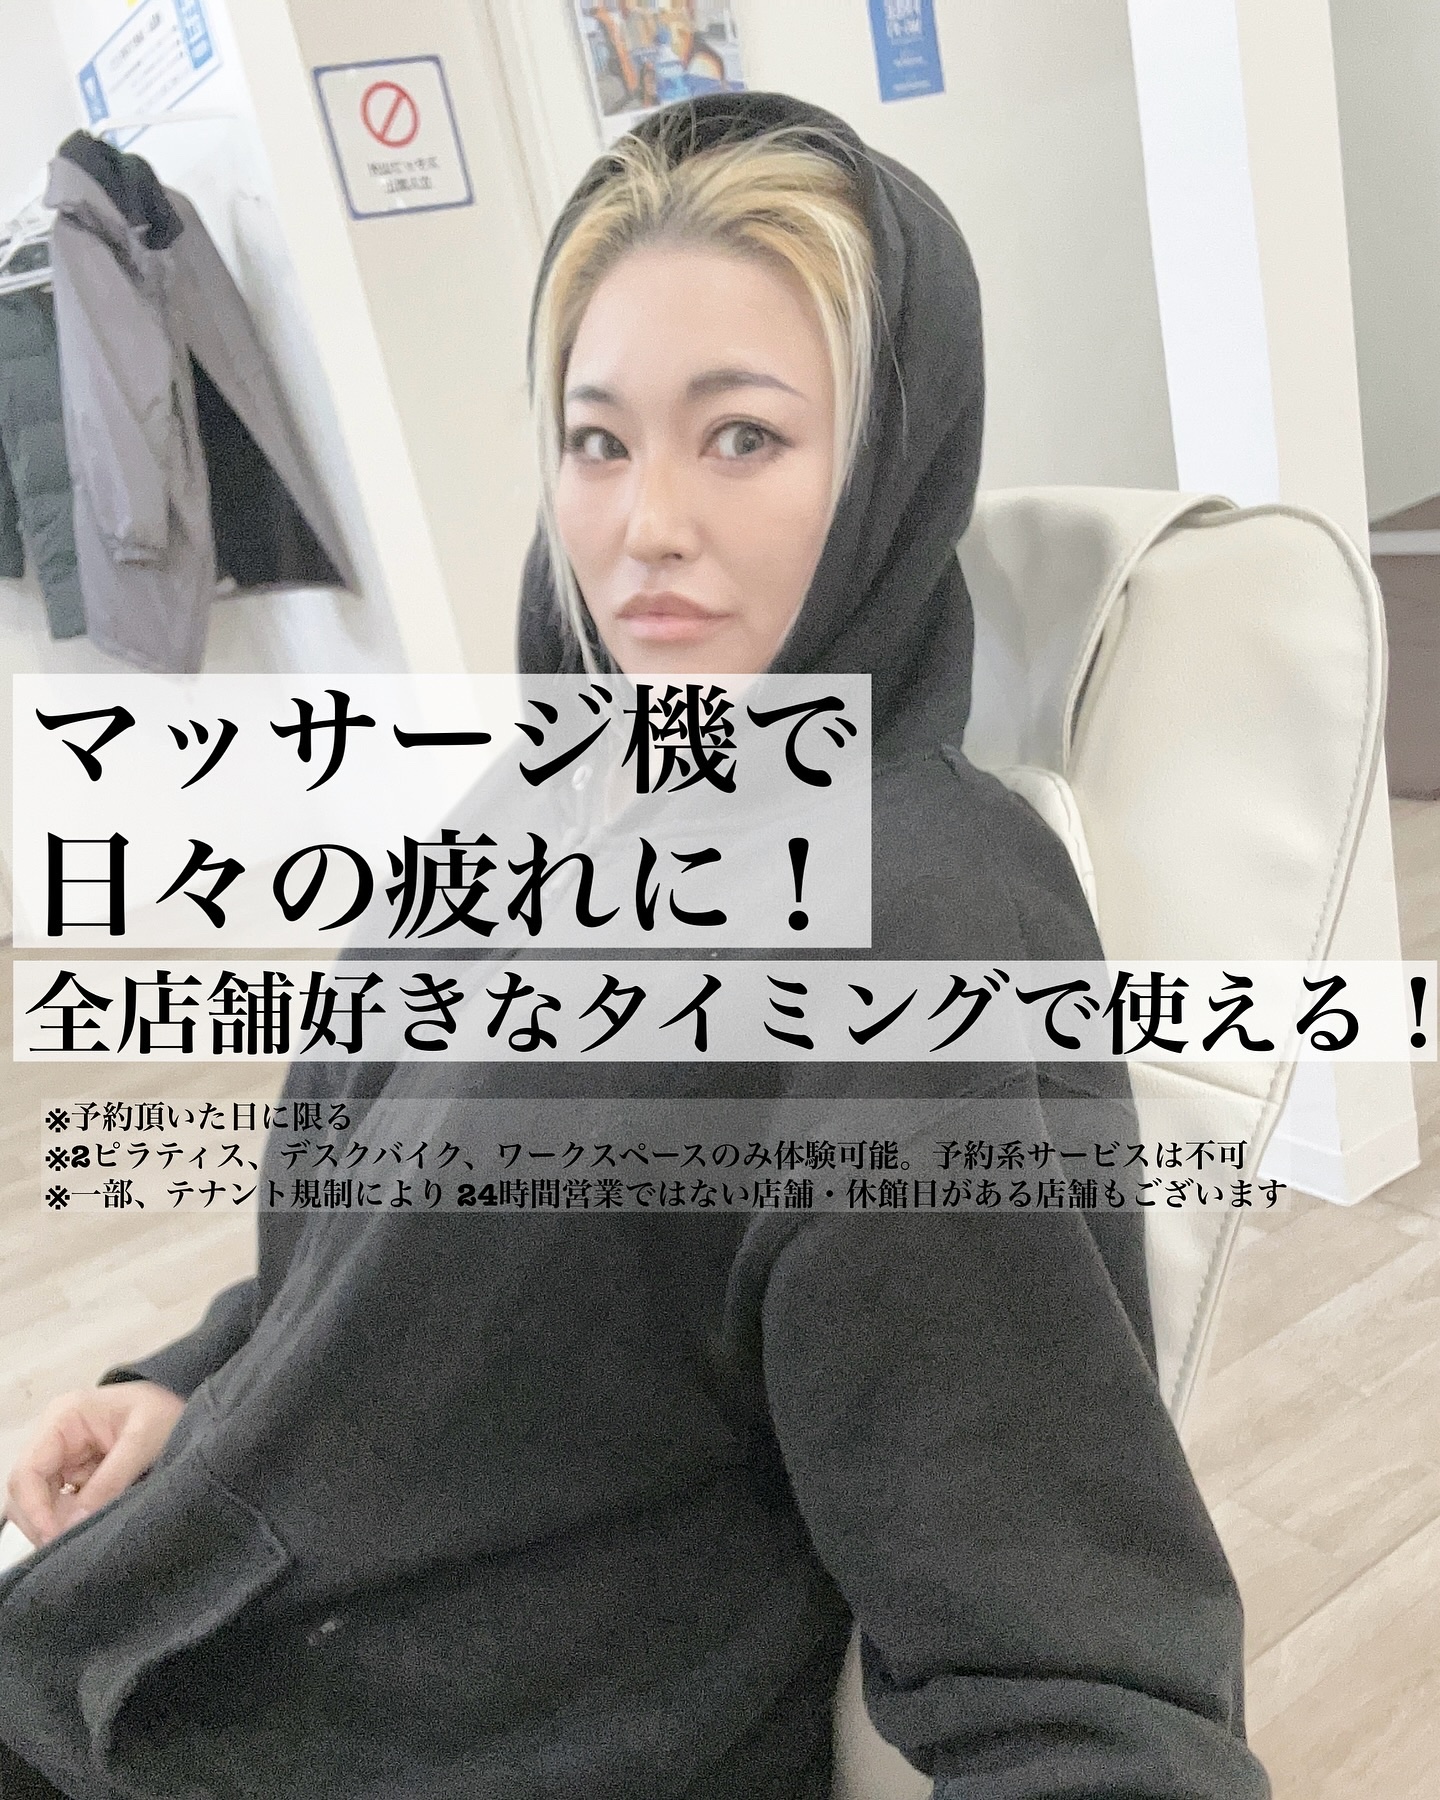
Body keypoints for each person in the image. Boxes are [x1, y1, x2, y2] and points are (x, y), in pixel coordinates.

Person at [0, 93, 1270, 1799]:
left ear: (886, 471)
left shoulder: (910, 938)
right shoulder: (552, 798)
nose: (644, 524)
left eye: (741, 436)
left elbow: (1082, 1676)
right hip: (171, 1630)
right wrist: (197, 1382)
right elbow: (392, 1245)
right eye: (597, 443)